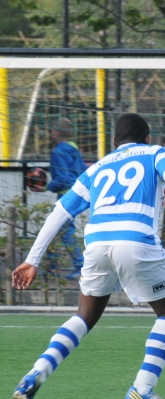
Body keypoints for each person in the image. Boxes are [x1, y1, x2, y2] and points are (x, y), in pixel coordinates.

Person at [12, 113, 165, 399]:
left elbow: (59, 211)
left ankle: (37, 371)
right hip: (135, 241)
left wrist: (33, 260)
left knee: (85, 315)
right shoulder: (155, 152)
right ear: (147, 138)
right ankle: (142, 389)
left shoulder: (98, 167)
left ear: (114, 142)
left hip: (96, 244)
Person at [31, 118, 88, 279]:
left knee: (63, 231)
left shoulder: (58, 152)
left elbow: (62, 177)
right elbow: (83, 171)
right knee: (58, 229)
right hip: (78, 192)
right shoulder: (74, 149)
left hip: (66, 194)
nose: (50, 134)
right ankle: (51, 268)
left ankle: (80, 265)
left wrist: (46, 187)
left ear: (57, 133)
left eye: (52, 131)